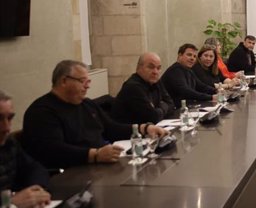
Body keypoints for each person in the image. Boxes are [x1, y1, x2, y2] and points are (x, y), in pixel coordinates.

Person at [23, 60, 167, 170]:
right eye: (82, 81)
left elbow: (111, 128)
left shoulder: (86, 104)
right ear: (64, 81)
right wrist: (94, 155)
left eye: (88, 81)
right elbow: (54, 150)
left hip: (102, 164)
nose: (87, 86)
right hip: (74, 172)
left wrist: (144, 128)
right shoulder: (42, 112)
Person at [0, 90, 51, 208]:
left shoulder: (9, 143)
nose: (7, 128)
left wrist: (35, 189)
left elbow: (34, 168)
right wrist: (10, 203)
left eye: (10, 118)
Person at [111, 52, 175, 124]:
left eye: (158, 68)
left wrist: (159, 109)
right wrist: (163, 106)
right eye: (151, 67)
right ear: (139, 68)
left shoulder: (156, 81)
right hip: (130, 133)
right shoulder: (133, 87)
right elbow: (153, 117)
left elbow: (171, 104)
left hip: (150, 128)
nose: (155, 72)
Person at [161, 44, 217, 108]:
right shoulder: (175, 70)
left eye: (194, 56)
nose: (192, 58)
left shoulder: (188, 70)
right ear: (180, 55)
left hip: (186, 109)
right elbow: (186, 91)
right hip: (174, 112)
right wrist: (211, 97)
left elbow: (200, 86)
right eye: (189, 55)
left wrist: (216, 90)